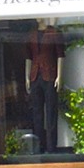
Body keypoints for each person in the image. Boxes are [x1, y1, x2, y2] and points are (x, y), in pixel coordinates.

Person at [26, 20, 64, 153]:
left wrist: (60, 76)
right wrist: (27, 76)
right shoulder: (32, 34)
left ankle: (51, 147)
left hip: (50, 75)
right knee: (37, 113)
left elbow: (60, 55)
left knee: (51, 112)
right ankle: (38, 146)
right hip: (35, 76)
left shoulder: (54, 33)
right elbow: (29, 56)